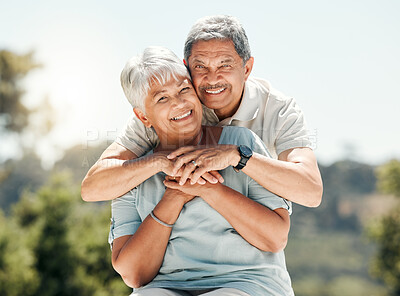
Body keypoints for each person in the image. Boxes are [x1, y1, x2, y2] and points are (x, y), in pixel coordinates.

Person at [81, 15, 323, 207]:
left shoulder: (279, 110)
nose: (212, 79)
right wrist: (156, 161)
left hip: (251, 234)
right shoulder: (174, 109)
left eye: (225, 65)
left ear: (247, 68)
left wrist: (236, 156)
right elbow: (93, 187)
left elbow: (311, 192)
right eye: (200, 66)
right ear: (187, 68)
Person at [109, 46, 294, 296]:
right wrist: (174, 197)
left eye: (184, 89)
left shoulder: (242, 144)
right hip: (165, 288)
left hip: (246, 284)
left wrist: (209, 189)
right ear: (143, 116)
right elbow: (134, 274)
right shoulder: (131, 172)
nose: (179, 103)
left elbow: (275, 238)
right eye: (162, 98)